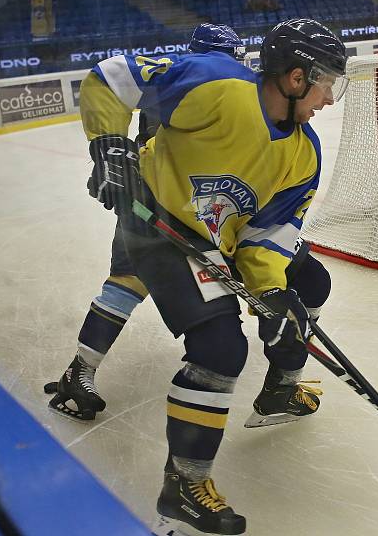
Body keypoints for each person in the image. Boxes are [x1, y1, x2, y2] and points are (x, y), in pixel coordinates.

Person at [78, 18, 347, 536]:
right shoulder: (215, 83)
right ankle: (183, 484)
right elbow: (111, 78)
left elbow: (268, 235)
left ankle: (281, 386)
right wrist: (110, 146)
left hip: (214, 238)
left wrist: (271, 294)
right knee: (220, 349)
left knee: (306, 286)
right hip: (157, 223)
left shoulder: (303, 152)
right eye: (326, 83)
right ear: (295, 78)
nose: (329, 99)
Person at [47, 23, 249, 423]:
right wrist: (111, 150)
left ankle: (79, 371)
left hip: (157, 200)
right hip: (169, 204)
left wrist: (114, 153)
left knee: (125, 282)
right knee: (134, 282)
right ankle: (82, 372)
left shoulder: (176, 74)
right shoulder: (211, 82)